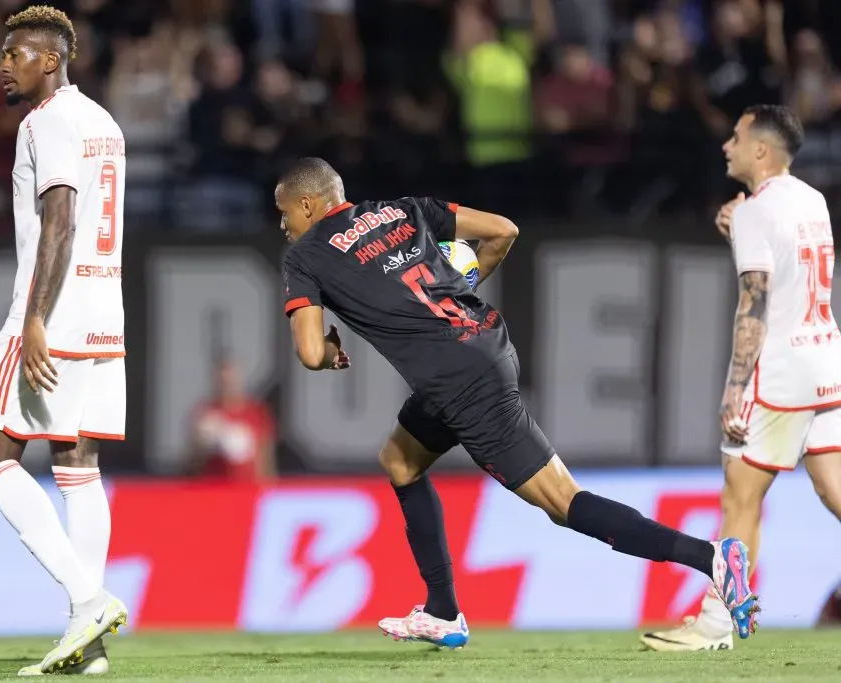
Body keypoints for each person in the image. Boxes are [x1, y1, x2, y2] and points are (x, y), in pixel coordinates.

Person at [277, 157, 760, 649]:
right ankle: (443, 612)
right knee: (400, 460)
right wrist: (458, 290)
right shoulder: (405, 211)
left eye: (285, 213)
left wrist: (331, 354)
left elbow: (311, 351)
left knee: (562, 502)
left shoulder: (306, 256)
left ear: (308, 204)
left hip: (461, 383)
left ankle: (712, 558)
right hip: (487, 345)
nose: (283, 225)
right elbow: (503, 231)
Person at [642, 106, 841, 651]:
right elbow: (791, 268)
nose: (726, 144)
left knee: (741, 497)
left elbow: (754, 302)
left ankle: (714, 621)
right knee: (834, 488)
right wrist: (741, 227)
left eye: (736, 136)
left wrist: (735, 387)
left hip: (781, 374)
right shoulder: (812, 199)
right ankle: (718, 617)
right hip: (827, 360)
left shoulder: (756, 211)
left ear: (760, 150)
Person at [0, 6, 127, 675]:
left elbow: (58, 217)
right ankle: (86, 644)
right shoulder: (103, 120)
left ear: (50, 59)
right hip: (104, 311)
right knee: (77, 466)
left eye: (15, 54)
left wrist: (34, 317)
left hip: (50, 312)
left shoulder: (47, 120)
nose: (2, 65)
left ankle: (88, 598)